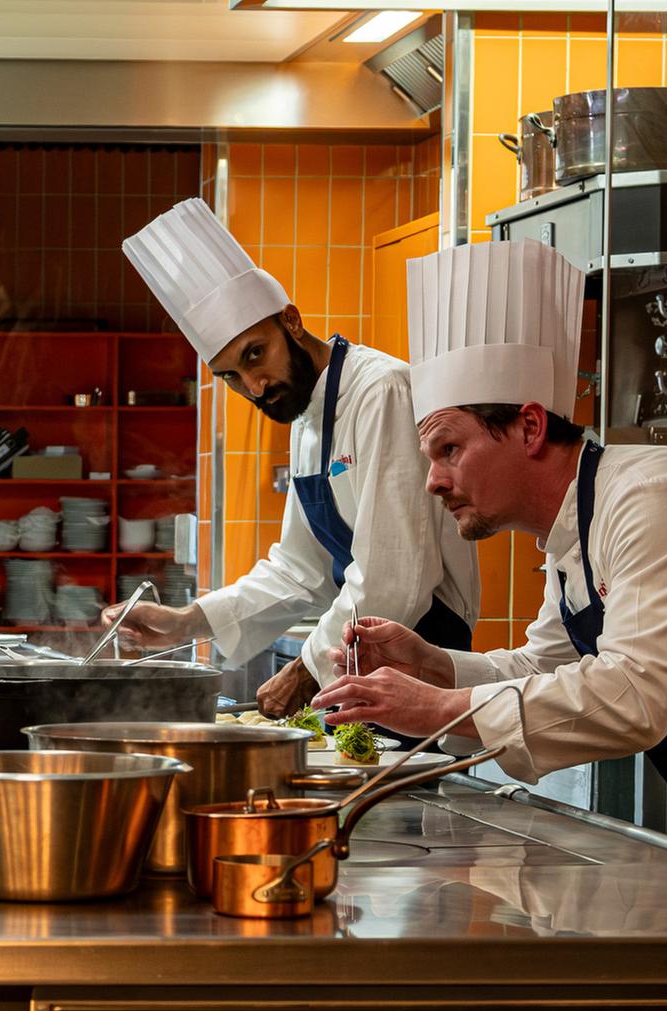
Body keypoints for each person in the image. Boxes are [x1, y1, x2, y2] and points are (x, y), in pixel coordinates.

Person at [310, 237, 667, 884]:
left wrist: (429, 710)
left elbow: (635, 695)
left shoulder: (656, 501)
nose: (434, 481)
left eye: (448, 449)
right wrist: (433, 667)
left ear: (530, 428)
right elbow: (546, 664)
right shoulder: (575, 526)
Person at [99, 198, 478, 717]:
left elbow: (397, 577)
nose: (254, 387)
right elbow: (301, 571)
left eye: (255, 354)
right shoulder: (304, 414)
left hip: (422, 659)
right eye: (231, 376)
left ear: (292, 322)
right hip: (362, 667)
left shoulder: (379, 391)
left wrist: (305, 668)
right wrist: (187, 620)